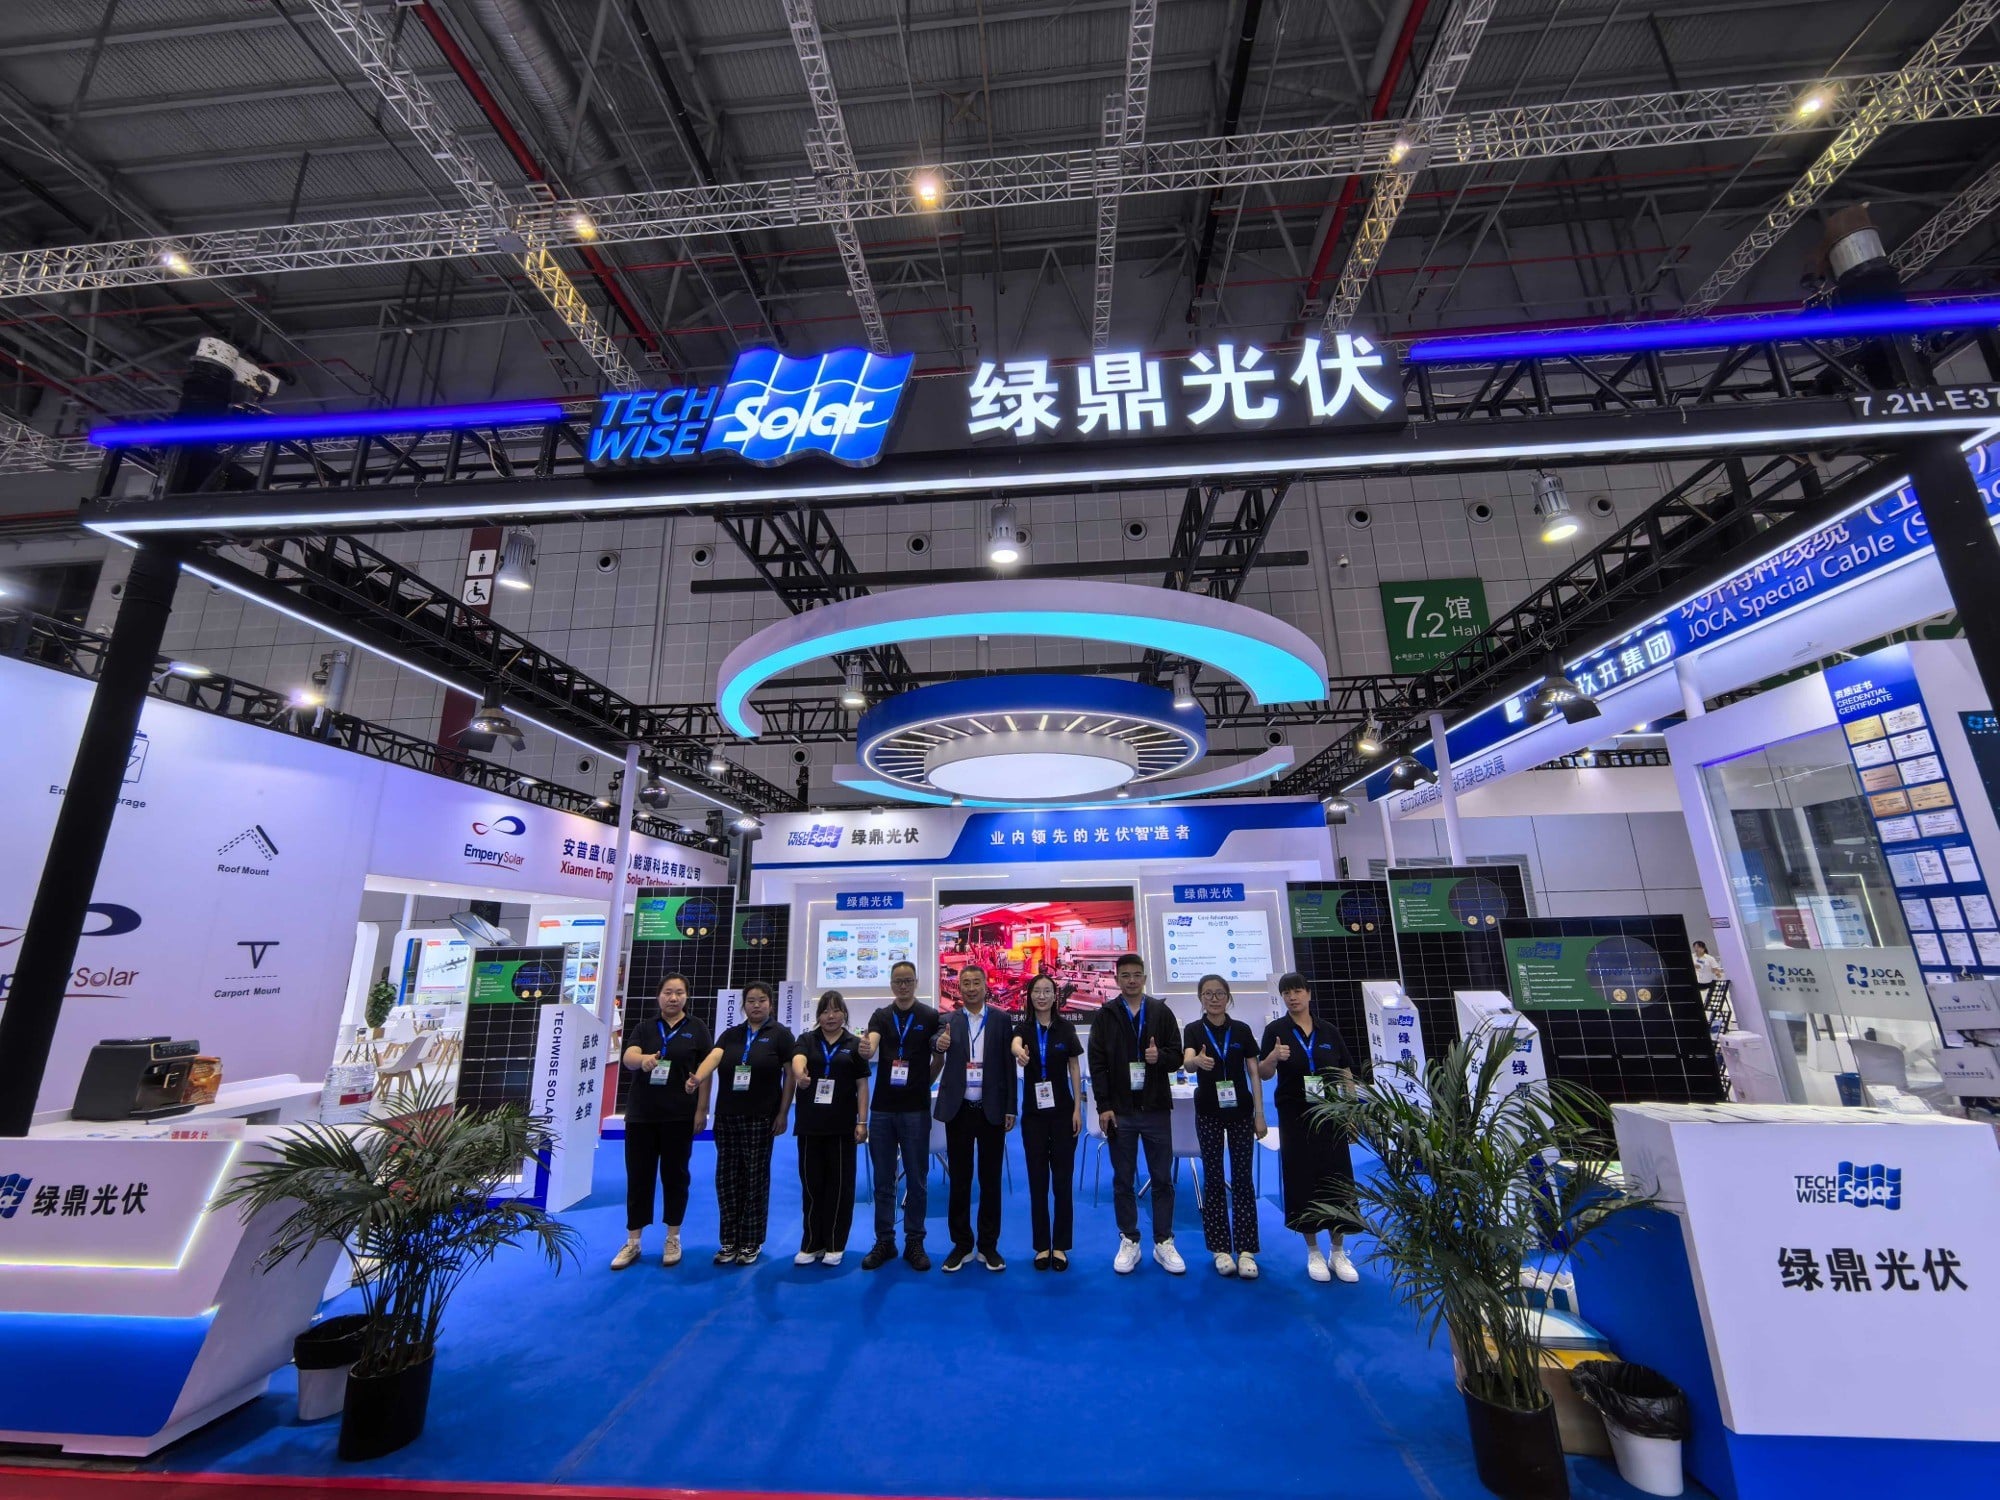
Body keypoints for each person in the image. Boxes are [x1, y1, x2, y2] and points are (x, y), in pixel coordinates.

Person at [1086, 952, 1186, 1274]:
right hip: (1121, 1111)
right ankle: (1129, 1238)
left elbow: (1177, 1056)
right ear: (1117, 979)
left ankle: (1163, 1241)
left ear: (1144, 977)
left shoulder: (1160, 1012)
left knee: (1162, 1179)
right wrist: (1104, 1106)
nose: (1131, 980)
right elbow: (1097, 1064)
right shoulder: (1105, 1015)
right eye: (1125, 975)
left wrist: (1161, 1058)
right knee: (1123, 1179)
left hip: (1156, 1108)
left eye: (1136, 975)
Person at [1258, 972, 1358, 1284]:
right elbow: (1262, 1072)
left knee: (1337, 1178)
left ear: (1309, 994)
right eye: (1287, 992)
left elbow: (1345, 1072)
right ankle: (1313, 1250)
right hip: (1295, 1117)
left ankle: (1338, 1251)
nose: (1293, 997)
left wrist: (1351, 1112)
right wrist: (1273, 1057)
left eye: (1298, 991)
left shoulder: (1329, 1030)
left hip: (1330, 1115)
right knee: (1302, 1179)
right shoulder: (1275, 1031)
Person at [687, 980, 795, 1267]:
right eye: (751, 1001)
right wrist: (698, 1077)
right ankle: (729, 1240)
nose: (756, 1005)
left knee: (755, 1180)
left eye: (762, 1000)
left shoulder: (781, 1035)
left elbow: (790, 1077)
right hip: (727, 1117)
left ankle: (751, 1241)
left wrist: (783, 1112)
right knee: (726, 1179)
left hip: (761, 1117)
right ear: (744, 1005)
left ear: (771, 1004)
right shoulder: (731, 1034)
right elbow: (714, 1057)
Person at [614, 972, 710, 1270]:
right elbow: (628, 1056)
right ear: (659, 996)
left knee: (676, 1176)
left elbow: (705, 1070)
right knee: (639, 1176)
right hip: (642, 1116)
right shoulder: (645, 1028)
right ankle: (633, 1241)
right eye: (668, 992)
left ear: (686, 997)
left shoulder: (697, 1028)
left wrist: (702, 1109)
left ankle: (673, 1237)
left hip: (679, 1116)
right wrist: (643, 1059)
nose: (673, 998)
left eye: (679, 992)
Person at [858, 959, 946, 1271]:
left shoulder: (929, 1016)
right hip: (882, 1109)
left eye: (908, 980)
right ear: (892, 984)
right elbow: (873, 1040)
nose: (903, 985)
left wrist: (924, 1083)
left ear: (916, 982)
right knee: (883, 1180)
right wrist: (868, 1048)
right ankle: (885, 1241)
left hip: (915, 1110)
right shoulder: (881, 1016)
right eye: (898, 981)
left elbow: (938, 1052)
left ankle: (914, 1242)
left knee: (917, 1180)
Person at [1183, 973, 1267, 1278]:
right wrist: (1197, 1063)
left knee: (1243, 1179)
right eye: (1208, 993)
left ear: (1228, 996)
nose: (1214, 998)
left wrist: (1260, 1114)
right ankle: (1220, 1248)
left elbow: (1254, 1073)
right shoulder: (1194, 1030)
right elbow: (1187, 1061)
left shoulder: (1241, 1030)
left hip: (1242, 1112)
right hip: (1208, 1112)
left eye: (1219, 993)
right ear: (1200, 998)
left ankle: (1246, 1250)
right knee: (1214, 1178)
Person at [934, 963, 1017, 1272]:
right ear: (959, 988)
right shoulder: (948, 1020)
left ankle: (988, 1246)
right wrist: (938, 1044)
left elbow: (1009, 1066)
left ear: (985, 986)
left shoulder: (1001, 1019)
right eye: (965, 983)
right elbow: (934, 1041)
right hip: (959, 1111)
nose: (970, 988)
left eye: (975, 983)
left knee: (990, 1180)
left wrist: (1011, 1107)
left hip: (991, 1109)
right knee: (960, 1180)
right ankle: (961, 1245)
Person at [789, 990, 869, 1266]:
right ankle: (812, 1242)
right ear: (818, 1015)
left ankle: (835, 1243)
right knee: (811, 1185)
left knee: (840, 1186)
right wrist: (799, 1073)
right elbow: (798, 1058)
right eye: (825, 1011)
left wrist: (862, 1121)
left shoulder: (854, 1044)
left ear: (844, 1014)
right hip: (810, 1125)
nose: (830, 1016)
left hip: (842, 1126)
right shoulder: (807, 1040)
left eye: (836, 1010)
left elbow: (862, 1086)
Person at [1011, 972, 1082, 1270]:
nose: (1042, 996)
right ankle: (1042, 1246)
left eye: (1047, 991)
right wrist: (1019, 1052)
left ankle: (1061, 1245)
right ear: (1029, 996)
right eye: (1037, 991)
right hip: (1034, 1117)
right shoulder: (1023, 1028)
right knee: (1038, 1182)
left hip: (1064, 1113)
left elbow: (1074, 1068)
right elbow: (1015, 1044)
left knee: (1062, 1181)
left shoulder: (1066, 1028)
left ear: (1055, 996)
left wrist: (1078, 1109)